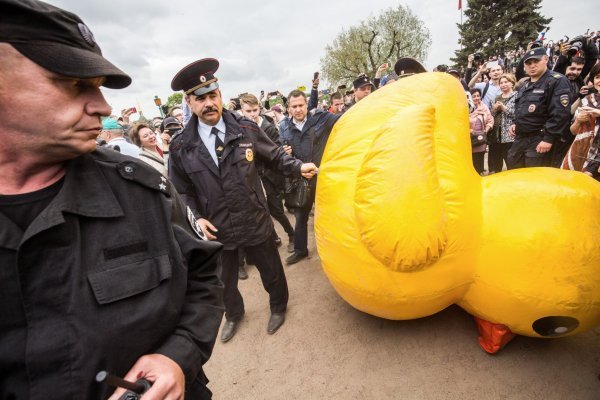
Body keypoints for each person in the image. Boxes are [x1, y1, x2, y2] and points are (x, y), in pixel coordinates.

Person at [0, 1, 224, 399]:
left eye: (100, 86)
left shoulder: (138, 187)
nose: (102, 107)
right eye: (73, 84)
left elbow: (203, 274)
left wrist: (178, 355)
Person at [168, 58, 318, 342]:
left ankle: (278, 307)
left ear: (220, 95)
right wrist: (196, 217)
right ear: (189, 102)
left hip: (253, 216)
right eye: (200, 99)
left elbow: (274, 155)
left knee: (271, 270)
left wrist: (298, 167)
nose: (208, 103)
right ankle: (234, 315)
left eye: (213, 95)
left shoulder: (245, 128)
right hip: (216, 226)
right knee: (224, 282)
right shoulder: (180, 146)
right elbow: (181, 190)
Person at [278, 90, 341, 264]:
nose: (298, 109)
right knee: (300, 217)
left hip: (323, 179)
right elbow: (280, 152)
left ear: (307, 105)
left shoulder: (321, 118)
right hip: (302, 181)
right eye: (294, 106)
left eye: (301, 105)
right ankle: (300, 250)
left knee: (331, 216)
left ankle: (337, 250)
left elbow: (345, 121)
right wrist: (285, 152)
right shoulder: (283, 127)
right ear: (288, 108)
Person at [239, 94, 295, 253]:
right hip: (254, 178)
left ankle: (291, 234)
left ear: (259, 108)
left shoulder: (268, 128)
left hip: (270, 176)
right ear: (242, 111)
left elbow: (276, 151)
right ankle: (274, 237)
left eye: (255, 110)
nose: (252, 114)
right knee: (262, 211)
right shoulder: (240, 129)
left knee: (276, 209)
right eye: (248, 111)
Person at [507, 47, 571, 169]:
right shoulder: (525, 85)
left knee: (535, 180)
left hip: (540, 139)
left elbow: (560, 113)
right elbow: (521, 108)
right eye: (529, 63)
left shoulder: (556, 81)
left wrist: (548, 138)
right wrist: (515, 124)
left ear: (546, 59)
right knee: (515, 174)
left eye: (536, 61)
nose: (532, 66)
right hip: (520, 139)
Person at [561, 63, 600, 173]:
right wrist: (578, 121)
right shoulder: (586, 100)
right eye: (597, 77)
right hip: (582, 153)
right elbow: (573, 131)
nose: (599, 81)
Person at [490, 73, 517, 171]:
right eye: (501, 83)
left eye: (506, 82)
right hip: (496, 135)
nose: (503, 84)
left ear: (512, 83)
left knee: (510, 162)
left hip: (510, 135)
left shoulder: (517, 96)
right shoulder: (497, 97)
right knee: (497, 163)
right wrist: (494, 110)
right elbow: (492, 115)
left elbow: (517, 114)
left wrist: (503, 108)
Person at [469, 88, 494, 174]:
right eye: (474, 96)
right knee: (471, 158)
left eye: (478, 96)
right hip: (469, 137)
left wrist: (485, 132)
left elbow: (490, 120)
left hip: (481, 137)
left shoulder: (484, 107)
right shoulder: (466, 107)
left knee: (480, 156)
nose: (476, 98)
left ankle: (480, 173)